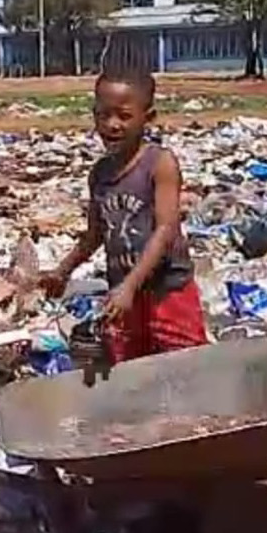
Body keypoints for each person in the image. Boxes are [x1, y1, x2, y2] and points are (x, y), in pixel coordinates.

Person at [41, 67, 207, 362]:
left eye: (124, 116)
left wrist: (130, 285)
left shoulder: (159, 163)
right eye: (103, 115)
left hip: (167, 291)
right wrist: (62, 271)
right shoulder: (100, 173)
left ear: (149, 117)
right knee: (131, 371)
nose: (112, 124)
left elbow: (166, 230)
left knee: (186, 366)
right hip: (123, 296)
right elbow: (94, 235)